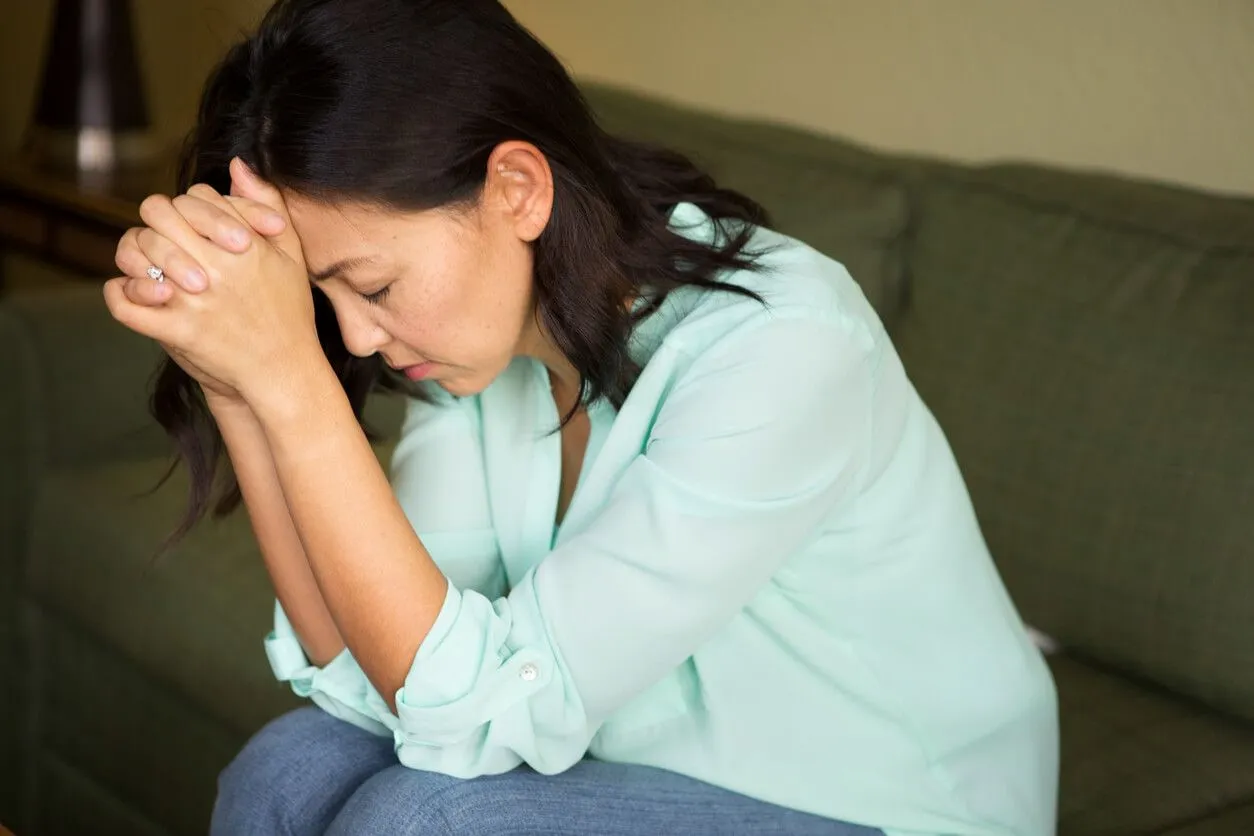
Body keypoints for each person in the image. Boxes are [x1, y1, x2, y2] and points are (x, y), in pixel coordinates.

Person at [105, 1, 1059, 834]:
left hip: (887, 807)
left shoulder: (785, 348)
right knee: (288, 766)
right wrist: (237, 388)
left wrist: (292, 383)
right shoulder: (475, 356)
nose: (356, 338)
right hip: (630, 767)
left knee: (426, 823)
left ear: (516, 190)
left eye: (377, 286)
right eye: (325, 300)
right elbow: (389, 677)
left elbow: (475, 712)